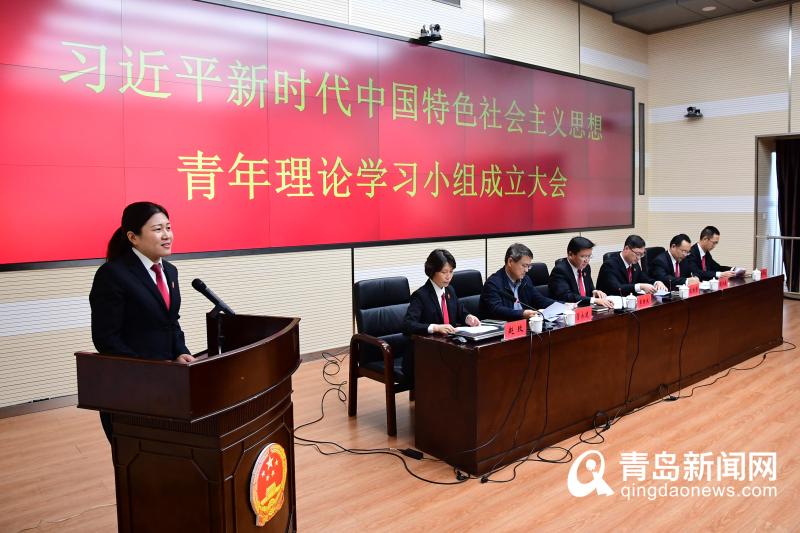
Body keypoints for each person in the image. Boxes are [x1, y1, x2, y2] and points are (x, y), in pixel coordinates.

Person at [90, 201, 194, 441]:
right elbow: (106, 339)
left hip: (168, 382)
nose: (167, 235)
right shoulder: (113, 274)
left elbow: (171, 322)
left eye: (168, 227)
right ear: (133, 237)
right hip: (131, 387)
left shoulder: (170, 271)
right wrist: (149, 370)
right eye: (157, 229)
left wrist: (180, 351)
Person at [403, 249, 480, 336]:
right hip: (433, 342)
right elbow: (408, 325)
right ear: (432, 271)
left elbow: (460, 312)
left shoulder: (450, 290)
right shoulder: (421, 295)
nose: (448, 277)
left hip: (452, 340)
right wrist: (435, 328)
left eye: (451, 271)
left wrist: (468, 318)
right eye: (444, 272)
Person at [479, 243, 556, 321]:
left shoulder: (525, 280)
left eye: (528, 266)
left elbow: (540, 300)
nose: (526, 270)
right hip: (503, 326)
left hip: (524, 325)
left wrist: (561, 305)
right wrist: (522, 314)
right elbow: (497, 310)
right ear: (510, 262)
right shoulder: (493, 284)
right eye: (524, 265)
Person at [549, 236, 613, 308]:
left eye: (589, 256)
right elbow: (567, 296)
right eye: (583, 256)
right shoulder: (560, 270)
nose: (587, 260)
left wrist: (595, 292)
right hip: (567, 310)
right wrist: (594, 300)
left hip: (585, 309)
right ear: (570, 255)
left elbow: (589, 288)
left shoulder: (586, 268)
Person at [597, 234, 667, 296]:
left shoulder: (634, 263)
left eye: (642, 254)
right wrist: (640, 286)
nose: (639, 258)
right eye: (637, 254)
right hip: (610, 302)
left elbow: (643, 278)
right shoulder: (610, 264)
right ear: (626, 248)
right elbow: (617, 288)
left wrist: (656, 282)